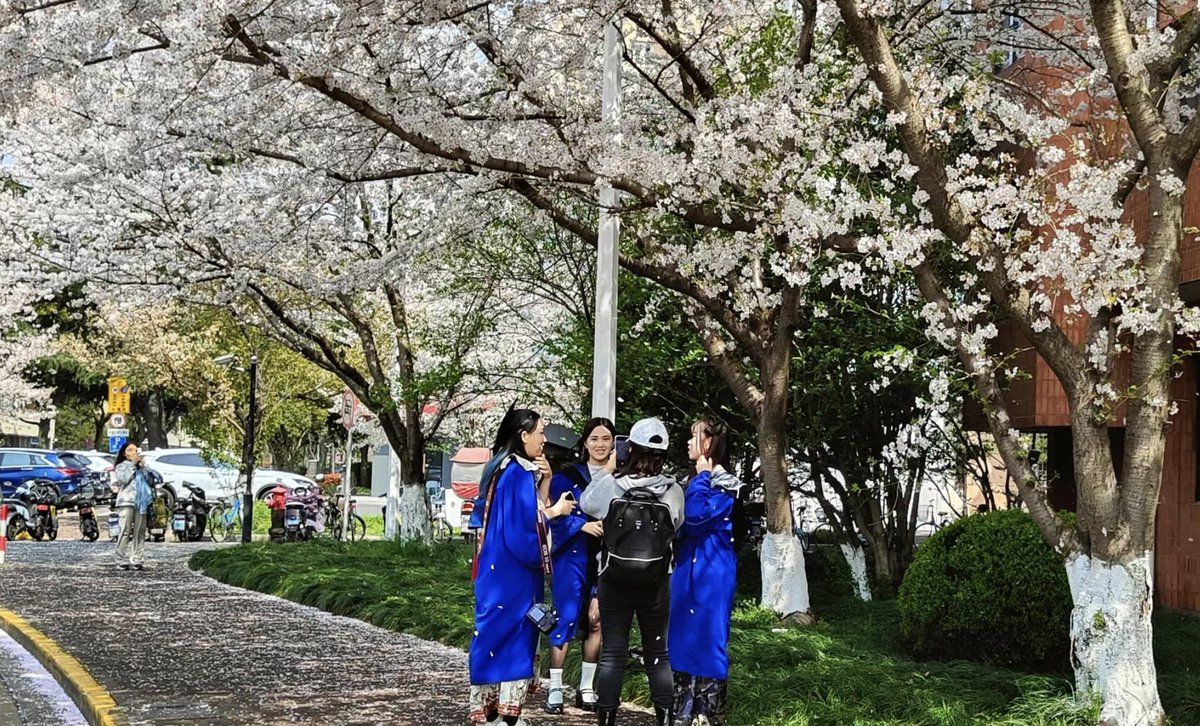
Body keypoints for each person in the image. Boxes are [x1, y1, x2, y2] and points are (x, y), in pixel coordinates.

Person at [469, 408, 574, 726]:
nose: (545, 439)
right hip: (513, 575)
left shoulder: (500, 468)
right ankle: (507, 717)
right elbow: (521, 530)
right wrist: (555, 511)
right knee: (515, 639)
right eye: (540, 432)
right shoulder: (515, 473)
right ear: (523, 435)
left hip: (495, 569)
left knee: (491, 638)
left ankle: (488, 713)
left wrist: (546, 482)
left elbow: (506, 518)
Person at [580, 417, 684, 726]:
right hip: (656, 582)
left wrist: (610, 469)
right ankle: (664, 718)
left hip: (614, 580)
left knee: (612, 653)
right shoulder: (673, 489)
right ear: (663, 454)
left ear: (629, 448)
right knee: (658, 655)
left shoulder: (614, 485)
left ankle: (607, 719)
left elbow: (587, 504)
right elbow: (677, 523)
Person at [670, 417, 744, 726]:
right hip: (687, 567)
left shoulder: (725, 483)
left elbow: (697, 517)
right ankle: (681, 707)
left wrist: (702, 478)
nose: (688, 442)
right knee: (682, 635)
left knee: (709, 635)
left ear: (709, 443)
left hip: (713, 573)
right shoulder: (691, 480)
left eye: (694, 436)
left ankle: (706, 711)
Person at [544, 417, 614, 714]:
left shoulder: (619, 478)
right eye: (594, 438)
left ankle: (586, 686)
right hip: (571, 557)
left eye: (606, 438)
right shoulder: (567, 477)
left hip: (604, 558)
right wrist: (580, 525)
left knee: (596, 619)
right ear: (585, 443)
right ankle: (555, 686)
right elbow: (552, 515)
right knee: (567, 616)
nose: (600, 444)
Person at [111, 441, 153, 571]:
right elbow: (123, 480)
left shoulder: (142, 467)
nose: (132, 453)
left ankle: (137, 559)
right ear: (124, 453)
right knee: (125, 530)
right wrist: (133, 465)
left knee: (139, 531)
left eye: (135, 450)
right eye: (129, 450)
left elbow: (151, 481)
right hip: (126, 502)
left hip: (141, 502)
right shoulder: (121, 466)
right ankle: (120, 559)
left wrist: (143, 467)